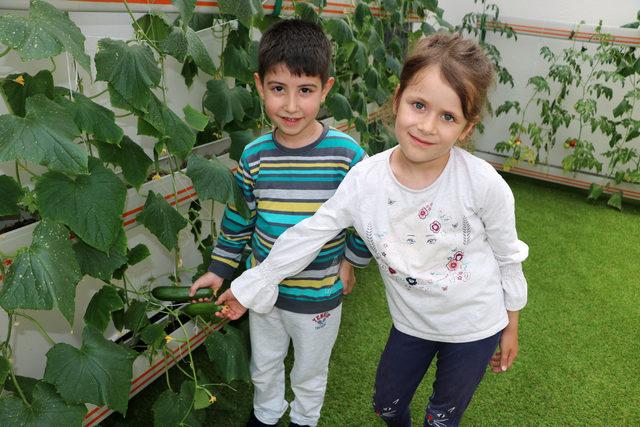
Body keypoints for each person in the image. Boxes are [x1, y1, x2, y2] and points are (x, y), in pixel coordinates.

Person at [214, 32, 529, 427]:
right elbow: (311, 233)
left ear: (467, 128)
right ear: (397, 99)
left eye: (448, 116)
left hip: (475, 324)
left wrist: (510, 324)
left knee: (442, 417)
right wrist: (251, 285)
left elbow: (508, 255)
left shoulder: (483, 184)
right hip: (411, 323)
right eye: (419, 105)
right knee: (387, 405)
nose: (428, 126)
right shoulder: (365, 180)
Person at [189, 19, 371, 427]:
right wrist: (220, 269)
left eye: (305, 90)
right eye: (278, 89)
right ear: (259, 85)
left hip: (318, 294)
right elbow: (239, 218)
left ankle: (305, 419)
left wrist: (351, 262)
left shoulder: (347, 155)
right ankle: (266, 414)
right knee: (265, 364)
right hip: (263, 291)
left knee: (309, 372)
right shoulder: (254, 155)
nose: (290, 105)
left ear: (326, 88)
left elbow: (365, 217)